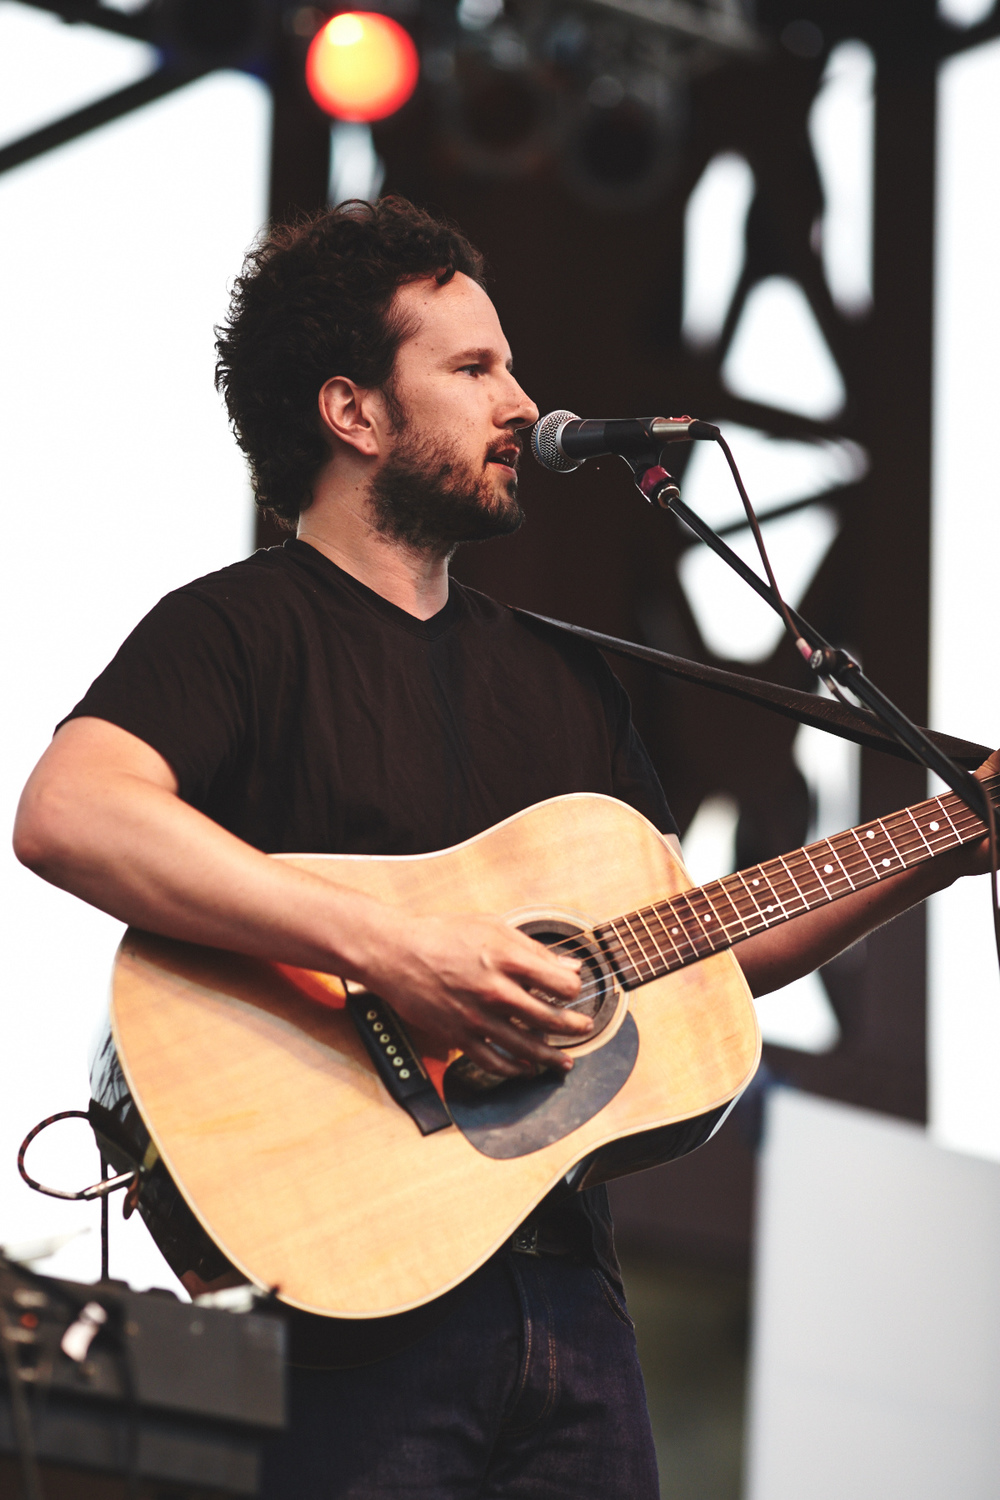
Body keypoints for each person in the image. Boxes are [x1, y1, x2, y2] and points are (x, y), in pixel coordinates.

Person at [13, 197, 992, 1499]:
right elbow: (70, 813)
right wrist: (393, 951)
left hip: (573, 1300)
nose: (522, 403)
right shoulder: (236, 632)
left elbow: (700, 953)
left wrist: (944, 842)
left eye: (512, 366)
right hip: (354, 1299)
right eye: (473, 369)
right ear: (353, 413)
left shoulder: (567, 682)